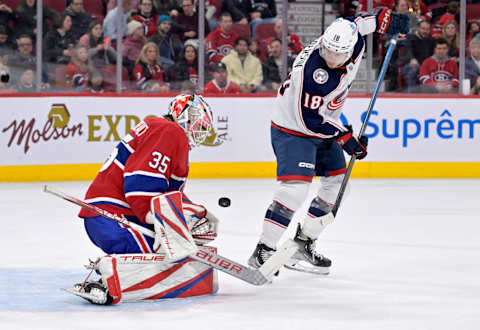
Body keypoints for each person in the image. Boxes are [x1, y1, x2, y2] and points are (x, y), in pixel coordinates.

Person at [248, 12, 409, 274]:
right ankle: (263, 249)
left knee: (336, 183)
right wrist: (345, 136)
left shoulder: (352, 38)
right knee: (294, 190)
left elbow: (362, 21)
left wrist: (386, 20)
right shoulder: (312, 73)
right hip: (293, 129)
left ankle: (303, 242)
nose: (331, 58)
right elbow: (310, 120)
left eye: (338, 54)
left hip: (323, 126)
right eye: (328, 52)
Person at [71, 94, 219, 305]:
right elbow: (140, 183)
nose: (201, 132)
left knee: (175, 248)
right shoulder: (170, 131)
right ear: (186, 115)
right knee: (171, 256)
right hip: (113, 218)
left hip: (111, 217)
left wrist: (191, 212)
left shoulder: (163, 131)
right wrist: (166, 221)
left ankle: (112, 272)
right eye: (200, 125)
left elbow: (163, 193)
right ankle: (110, 278)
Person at [401, 20, 435, 92]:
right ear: (418, 28)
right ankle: (411, 95)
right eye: (423, 28)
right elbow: (408, 51)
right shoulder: (410, 38)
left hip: (426, 66)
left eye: (427, 29)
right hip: (411, 64)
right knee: (413, 71)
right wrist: (412, 59)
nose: (425, 31)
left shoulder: (431, 40)